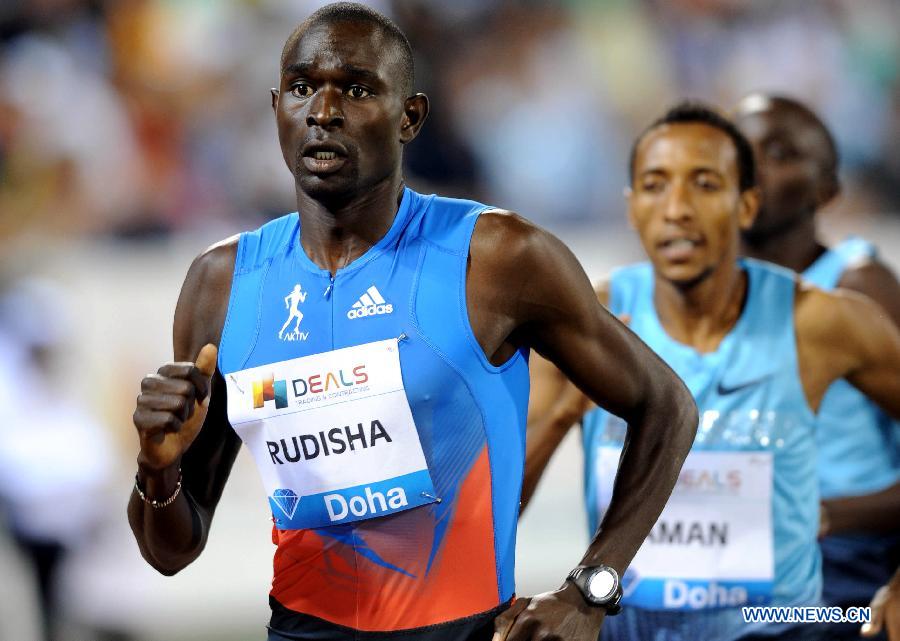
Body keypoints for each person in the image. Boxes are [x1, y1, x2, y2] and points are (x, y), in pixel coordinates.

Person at [127, 4, 698, 641]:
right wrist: (157, 467)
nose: (322, 112)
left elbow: (666, 405)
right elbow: (171, 551)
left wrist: (593, 589)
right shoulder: (223, 284)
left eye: (358, 88)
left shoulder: (498, 259)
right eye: (301, 87)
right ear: (276, 109)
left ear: (411, 116)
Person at [524, 102, 900, 641]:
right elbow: (497, 508)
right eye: (655, 185)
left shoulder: (824, 321)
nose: (677, 208)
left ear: (746, 205)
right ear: (631, 209)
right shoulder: (588, 325)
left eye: (704, 184)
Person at [733, 94, 900, 638]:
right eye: (738, 148)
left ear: (826, 190)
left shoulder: (856, 286)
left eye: (779, 152)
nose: (751, 166)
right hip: (732, 556)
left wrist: (818, 515)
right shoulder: (695, 292)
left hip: (843, 570)